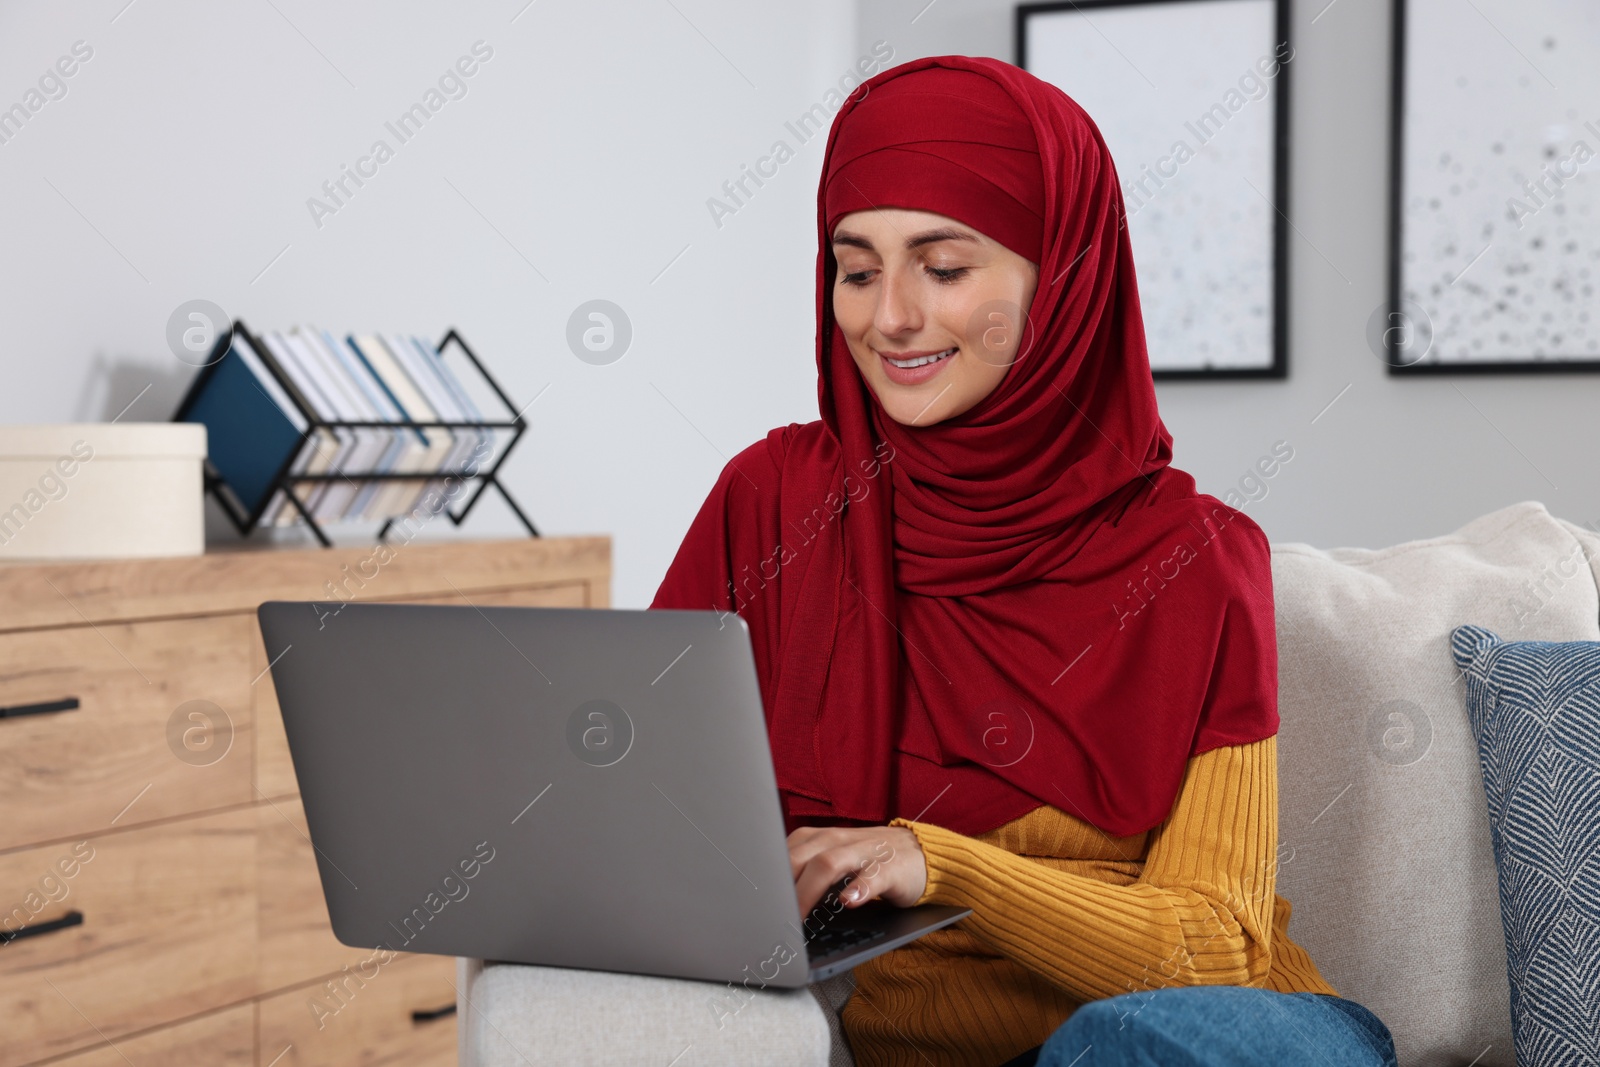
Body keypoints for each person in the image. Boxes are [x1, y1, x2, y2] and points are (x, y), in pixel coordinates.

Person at [650, 55, 1399, 1067]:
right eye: (856, 268)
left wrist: (943, 863)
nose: (888, 318)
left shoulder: (1195, 560)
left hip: (1220, 1037)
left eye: (943, 267)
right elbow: (641, 825)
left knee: (1120, 1044)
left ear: (1066, 271)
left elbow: (1217, 946)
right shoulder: (775, 507)